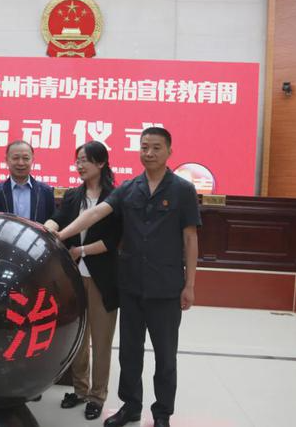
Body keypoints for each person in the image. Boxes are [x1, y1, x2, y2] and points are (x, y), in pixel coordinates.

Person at [57, 127, 200, 427]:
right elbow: (94, 214)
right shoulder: (129, 188)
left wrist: (190, 285)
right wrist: (60, 235)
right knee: (129, 354)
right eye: (144, 147)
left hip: (166, 288)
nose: (149, 153)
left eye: (156, 147)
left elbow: (190, 238)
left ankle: (162, 413)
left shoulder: (183, 190)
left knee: (165, 357)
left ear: (169, 151)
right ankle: (131, 406)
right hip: (131, 285)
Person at [44, 141, 121, 420]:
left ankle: (97, 396)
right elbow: (58, 219)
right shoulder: (74, 195)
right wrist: (46, 228)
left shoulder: (115, 197)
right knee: (77, 338)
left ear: (101, 163)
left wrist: (82, 250)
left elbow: (113, 240)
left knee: (101, 341)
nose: (79, 165)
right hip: (74, 277)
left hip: (102, 278)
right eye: (77, 160)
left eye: (85, 160)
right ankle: (79, 389)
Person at [0, 140, 55, 223]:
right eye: (15, 158)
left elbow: (52, 221)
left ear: (32, 160)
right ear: (6, 160)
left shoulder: (45, 191)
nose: (21, 163)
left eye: (26, 158)